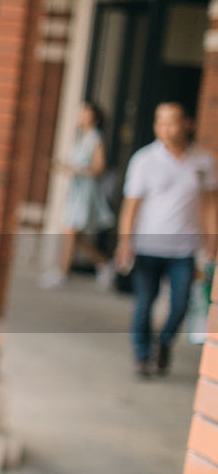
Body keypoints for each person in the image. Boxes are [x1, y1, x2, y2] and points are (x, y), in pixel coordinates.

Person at [116, 102, 218, 378]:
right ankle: (141, 356)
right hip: (147, 246)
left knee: (181, 305)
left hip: (184, 249)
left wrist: (212, 240)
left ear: (188, 124)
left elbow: (210, 205)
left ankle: (163, 343)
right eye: (159, 121)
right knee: (144, 303)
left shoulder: (204, 162)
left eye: (171, 121)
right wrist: (124, 242)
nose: (164, 128)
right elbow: (131, 206)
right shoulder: (144, 160)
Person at [39, 101, 117, 289]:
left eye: (85, 112)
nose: (81, 115)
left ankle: (62, 272)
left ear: (94, 117)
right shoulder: (81, 137)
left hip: (85, 191)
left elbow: (99, 168)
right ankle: (105, 263)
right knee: (74, 235)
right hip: (76, 191)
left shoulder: (95, 138)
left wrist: (75, 169)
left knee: (70, 232)